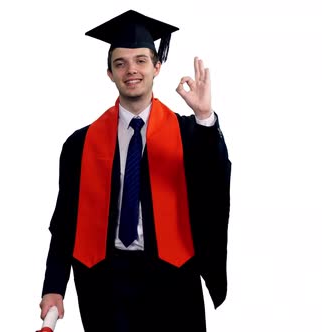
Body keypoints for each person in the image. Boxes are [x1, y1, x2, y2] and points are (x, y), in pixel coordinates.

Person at [39, 9, 231, 332]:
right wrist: (53, 286)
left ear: (157, 67)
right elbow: (64, 224)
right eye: (121, 63)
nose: (132, 70)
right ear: (110, 73)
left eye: (141, 60)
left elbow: (215, 179)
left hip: (174, 280)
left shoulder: (189, 135)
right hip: (105, 284)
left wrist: (205, 118)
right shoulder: (79, 145)